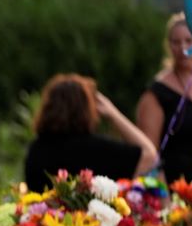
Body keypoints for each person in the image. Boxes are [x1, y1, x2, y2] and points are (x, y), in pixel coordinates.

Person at [24, 73, 157, 193]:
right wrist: (113, 113)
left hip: (42, 219)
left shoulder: (35, 150)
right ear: (87, 110)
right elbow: (149, 155)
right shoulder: (99, 149)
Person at [136, 13, 192, 186]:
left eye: (189, 41)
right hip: (176, 186)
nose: (183, 48)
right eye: (176, 42)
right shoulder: (157, 93)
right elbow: (148, 153)